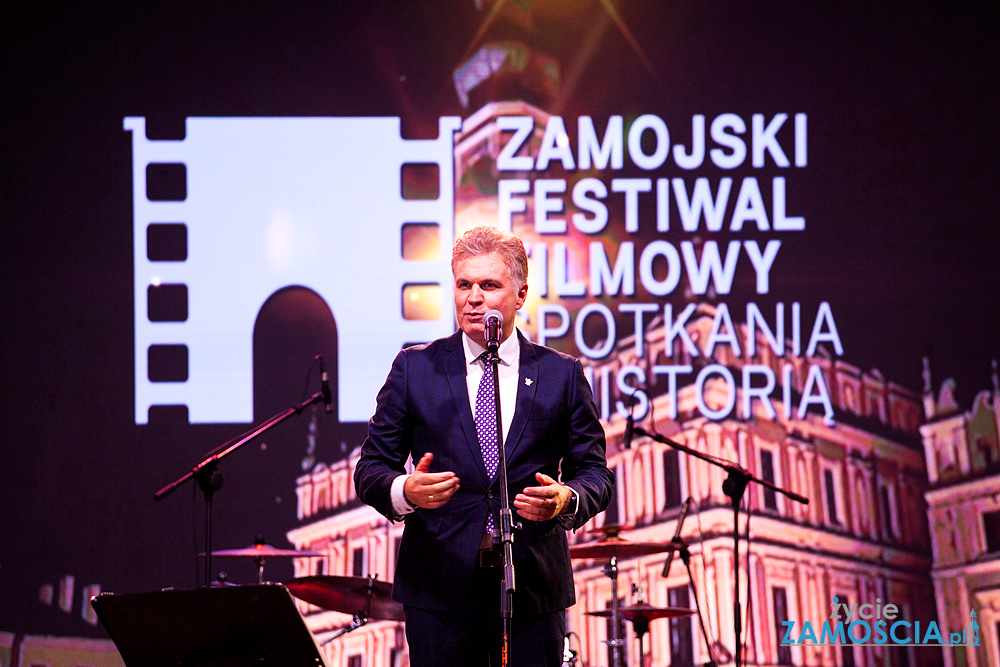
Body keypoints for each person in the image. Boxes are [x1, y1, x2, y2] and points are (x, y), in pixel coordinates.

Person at [354, 225, 614, 666]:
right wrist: (405, 491)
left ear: (520, 295)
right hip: (438, 590)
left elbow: (596, 472)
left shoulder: (561, 374)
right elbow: (371, 468)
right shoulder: (415, 369)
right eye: (463, 284)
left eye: (489, 285)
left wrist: (567, 498)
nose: (473, 297)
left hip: (532, 588)